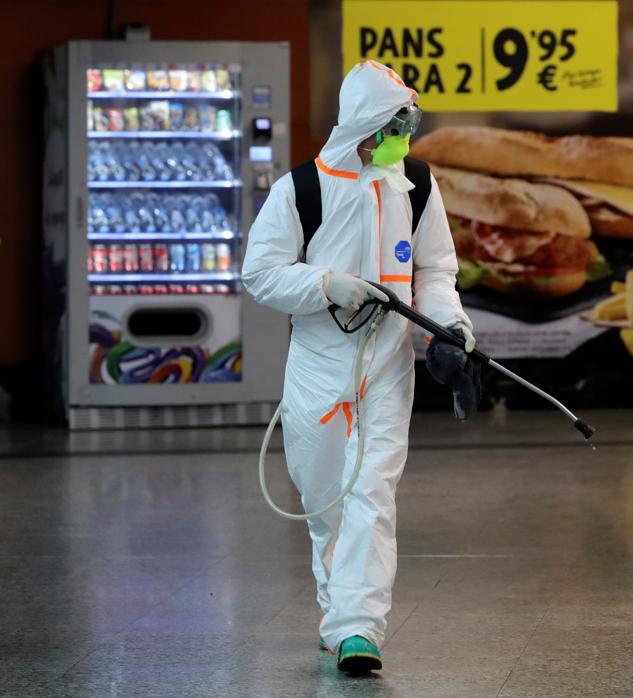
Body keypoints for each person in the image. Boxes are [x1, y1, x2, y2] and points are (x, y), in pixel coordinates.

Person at [242, 61, 474, 674]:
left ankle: (357, 630)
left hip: (390, 366)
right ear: (367, 124)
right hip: (319, 367)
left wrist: (451, 330)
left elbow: (436, 271)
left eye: (410, 121)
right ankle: (337, 612)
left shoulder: (416, 185)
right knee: (325, 502)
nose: (407, 133)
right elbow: (260, 271)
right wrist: (328, 285)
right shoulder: (301, 190)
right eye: (398, 122)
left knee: (372, 493)